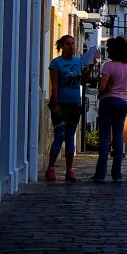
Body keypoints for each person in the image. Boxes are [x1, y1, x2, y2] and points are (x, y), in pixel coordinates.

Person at [92, 35, 127, 183]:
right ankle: (117, 174)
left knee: (104, 139)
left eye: (109, 49)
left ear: (113, 51)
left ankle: (100, 174)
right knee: (117, 139)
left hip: (108, 101)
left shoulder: (108, 66)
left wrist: (102, 91)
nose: (107, 51)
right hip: (122, 103)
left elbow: (102, 87)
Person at [45, 34, 85, 181]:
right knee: (59, 135)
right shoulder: (56, 63)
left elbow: (82, 82)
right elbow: (54, 84)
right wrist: (55, 103)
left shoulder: (79, 62)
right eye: (68, 44)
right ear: (61, 46)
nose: (71, 46)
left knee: (70, 137)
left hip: (75, 104)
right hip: (60, 104)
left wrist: (88, 71)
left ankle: (69, 170)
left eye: (73, 43)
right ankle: (51, 168)